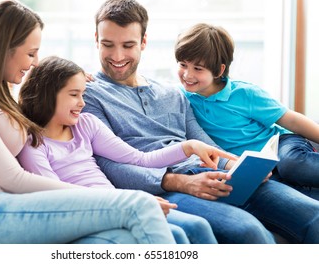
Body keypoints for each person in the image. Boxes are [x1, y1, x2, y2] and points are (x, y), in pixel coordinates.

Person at [0, 0, 179, 244]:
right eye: (31, 53)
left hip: (16, 204)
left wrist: (67, 78)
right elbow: (12, 179)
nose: (34, 62)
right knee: (138, 205)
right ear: (3, 49)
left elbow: (42, 98)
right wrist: (105, 198)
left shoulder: (0, 96)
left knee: (123, 239)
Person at [82, 0, 319, 244]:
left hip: (215, 175)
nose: (117, 56)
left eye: (128, 45)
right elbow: (107, 165)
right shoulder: (89, 95)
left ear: (143, 42)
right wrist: (182, 182)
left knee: (313, 216)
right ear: (96, 40)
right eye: (108, 44)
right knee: (248, 231)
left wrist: (237, 166)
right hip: (169, 186)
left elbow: (202, 140)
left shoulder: (172, 92)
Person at [16, 55, 229, 244]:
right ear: (48, 94)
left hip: (120, 202)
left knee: (196, 227)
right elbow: (55, 198)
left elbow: (139, 159)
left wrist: (188, 147)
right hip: (93, 211)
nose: (82, 103)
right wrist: (129, 204)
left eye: (82, 94)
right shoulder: (32, 144)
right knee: (181, 233)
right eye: (74, 94)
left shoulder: (85, 124)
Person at [175, 23, 319, 200]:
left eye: (198, 69)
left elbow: (291, 120)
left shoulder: (244, 93)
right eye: (183, 65)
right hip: (251, 164)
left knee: (291, 165)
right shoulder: (179, 98)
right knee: (278, 191)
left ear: (219, 70)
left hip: (280, 145)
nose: (187, 75)